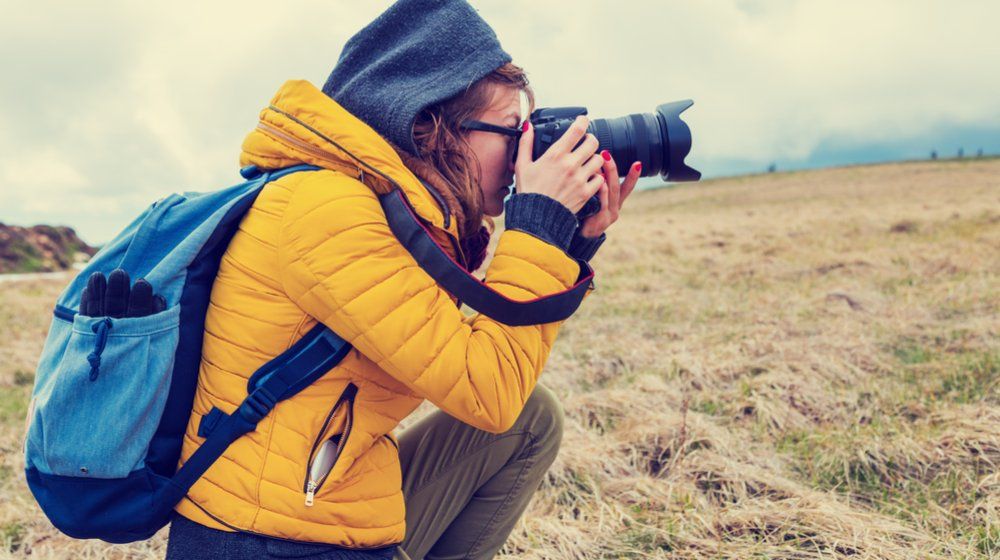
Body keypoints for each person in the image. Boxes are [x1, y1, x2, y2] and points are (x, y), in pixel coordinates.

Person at [165, 1, 639, 558]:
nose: (523, 156)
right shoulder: (325, 208)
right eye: (512, 133)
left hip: (328, 503)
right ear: (430, 127)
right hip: (268, 538)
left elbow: (482, 375)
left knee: (532, 421)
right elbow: (487, 387)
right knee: (512, 409)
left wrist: (566, 240)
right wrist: (537, 230)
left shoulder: (384, 209)